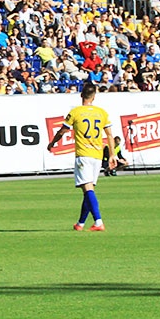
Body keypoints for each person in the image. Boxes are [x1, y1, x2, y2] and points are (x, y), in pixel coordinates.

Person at [47, 83, 116, 231]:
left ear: (81, 95)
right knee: (88, 189)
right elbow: (110, 135)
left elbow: (62, 131)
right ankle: (81, 223)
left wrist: (52, 143)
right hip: (97, 155)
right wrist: (112, 154)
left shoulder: (76, 112)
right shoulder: (102, 113)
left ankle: (98, 222)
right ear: (94, 96)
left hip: (84, 155)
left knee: (88, 189)